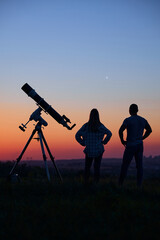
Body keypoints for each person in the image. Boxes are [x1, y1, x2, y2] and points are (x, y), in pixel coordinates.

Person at [119, 104, 152, 187]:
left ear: (130, 110)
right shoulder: (143, 120)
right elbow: (149, 130)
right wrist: (142, 137)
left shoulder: (128, 120)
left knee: (125, 166)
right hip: (139, 145)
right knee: (139, 166)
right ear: (137, 110)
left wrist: (122, 140)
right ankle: (139, 186)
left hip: (130, 145)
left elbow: (120, 130)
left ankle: (120, 184)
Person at [75, 108, 112, 184]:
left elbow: (77, 135)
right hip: (98, 150)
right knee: (97, 168)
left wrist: (83, 143)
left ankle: (86, 183)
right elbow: (109, 133)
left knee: (87, 168)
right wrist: (105, 141)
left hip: (89, 150)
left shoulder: (86, 126)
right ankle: (96, 183)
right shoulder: (101, 126)